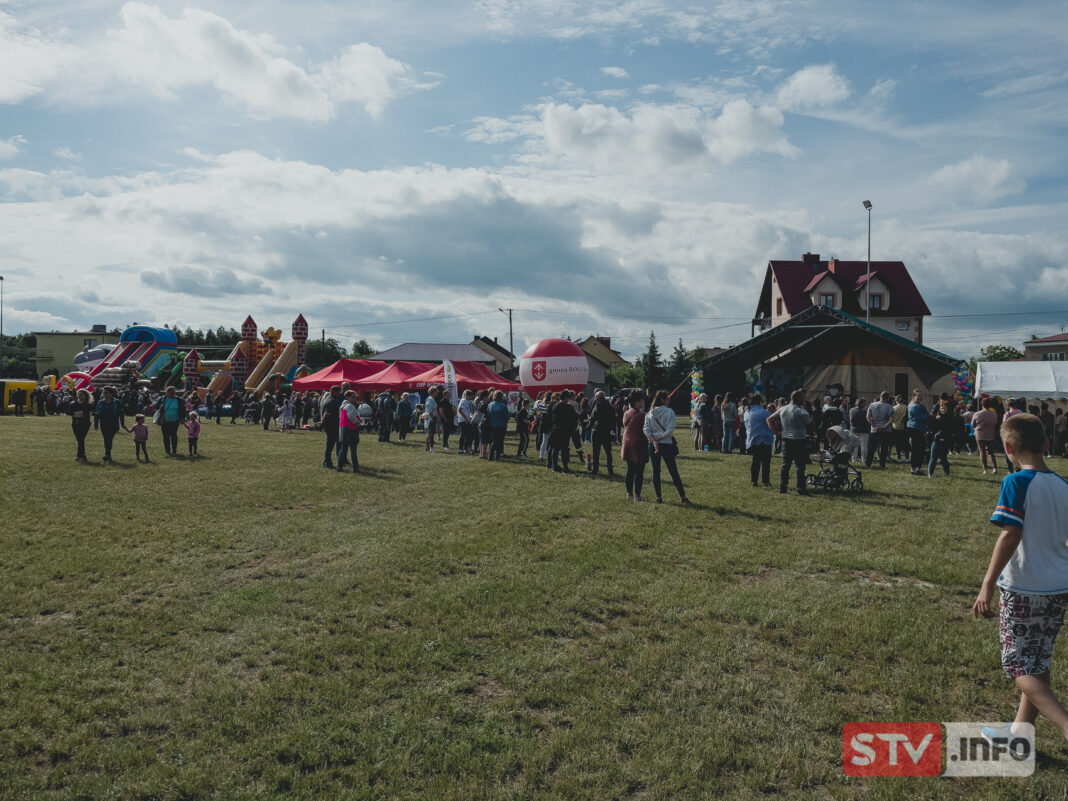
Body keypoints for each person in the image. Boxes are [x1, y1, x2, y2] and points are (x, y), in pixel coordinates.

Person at [972, 413, 1068, 748]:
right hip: (1059, 588)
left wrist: (987, 583)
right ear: (1045, 444)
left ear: (1008, 447)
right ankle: (1018, 735)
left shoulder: (1015, 482)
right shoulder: (1063, 486)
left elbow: (1010, 534)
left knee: (1017, 664)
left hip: (1025, 588)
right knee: (1038, 661)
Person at [643, 390, 690, 504]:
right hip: (666, 444)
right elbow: (670, 430)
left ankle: (659, 497)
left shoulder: (650, 413)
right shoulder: (669, 412)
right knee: (673, 471)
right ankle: (683, 497)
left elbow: (646, 429)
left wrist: (652, 439)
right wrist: (658, 438)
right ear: (663, 400)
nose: (670, 401)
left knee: (656, 471)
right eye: (668, 399)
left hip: (654, 445)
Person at [768, 389, 811, 495]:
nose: (804, 399)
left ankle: (782, 487)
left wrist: (776, 432)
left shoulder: (783, 409)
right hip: (799, 440)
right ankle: (801, 488)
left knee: (785, 465)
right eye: (802, 397)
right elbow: (810, 425)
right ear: (798, 399)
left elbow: (769, 419)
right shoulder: (801, 411)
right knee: (800, 466)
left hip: (786, 440)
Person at [621, 390, 649, 501]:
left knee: (630, 470)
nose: (643, 402)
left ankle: (629, 494)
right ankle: (637, 495)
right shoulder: (643, 415)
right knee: (639, 471)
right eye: (641, 400)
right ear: (637, 402)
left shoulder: (626, 413)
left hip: (627, 443)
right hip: (639, 443)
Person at [744, 394, 774, 488]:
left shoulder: (747, 412)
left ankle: (754, 481)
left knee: (755, 461)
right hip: (764, 439)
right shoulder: (763, 412)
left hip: (753, 439)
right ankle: (766, 481)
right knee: (766, 462)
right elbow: (771, 421)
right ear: (760, 402)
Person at [549, 390, 578, 473]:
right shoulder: (568, 407)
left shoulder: (555, 405)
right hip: (564, 431)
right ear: (566, 398)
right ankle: (565, 467)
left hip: (555, 429)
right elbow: (575, 417)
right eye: (568, 397)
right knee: (564, 450)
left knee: (555, 449)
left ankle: (554, 466)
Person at [94, 386, 125, 463]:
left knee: (109, 439)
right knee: (106, 439)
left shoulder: (116, 402)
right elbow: (96, 413)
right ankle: (107, 454)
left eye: (106, 393)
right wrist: (96, 423)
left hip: (114, 423)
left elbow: (121, 413)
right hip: (104, 423)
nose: (104, 394)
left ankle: (107, 454)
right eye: (103, 393)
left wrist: (122, 423)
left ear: (111, 394)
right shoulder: (100, 402)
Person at [589, 390, 615, 476]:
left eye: (595, 397)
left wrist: (589, 425)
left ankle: (595, 470)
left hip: (597, 431)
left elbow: (593, 418)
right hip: (606, 431)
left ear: (598, 398)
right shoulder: (610, 406)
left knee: (596, 452)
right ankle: (610, 470)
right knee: (608, 453)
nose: (595, 399)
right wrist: (612, 430)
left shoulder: (598, 406)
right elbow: (613, 419)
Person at [866, 392, 895, 468]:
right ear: (887, 398)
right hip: (885, 431)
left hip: (874, 430)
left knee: (871, 448)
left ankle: (868, 464)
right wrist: (883, 427)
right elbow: (891, 420)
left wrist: (874, 426)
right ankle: (882, 465)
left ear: (880, 396)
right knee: (884, 448)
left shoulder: (872, 405)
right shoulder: (890, 407)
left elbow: (868, 417)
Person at [906, 390, 932, 476]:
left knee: (920, 449)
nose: (920, 397)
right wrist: (928, 416)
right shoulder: (914, 407)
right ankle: (914, 469)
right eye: (918, 396)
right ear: (913, 397)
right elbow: (924, 418)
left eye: (921, 396)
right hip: (915, 429)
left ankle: (917, 469)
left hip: (919, 429)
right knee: (917, 450)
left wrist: (927, 415)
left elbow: (928, 415)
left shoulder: (920, 406)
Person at [928, 399, 955, 477]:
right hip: (937, 440)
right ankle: (931, 473)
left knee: (943, 458)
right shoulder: (938, 417)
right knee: (933, 458)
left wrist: (938, 420)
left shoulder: (949, 417)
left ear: (948, 408)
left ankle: (946, 473)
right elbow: (933, 428)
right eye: (941, 408)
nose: (943, 409)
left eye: (945, 408)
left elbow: (946, 428)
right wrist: (935, 420)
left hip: (944, 440)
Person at [972, 399, 1000, 474]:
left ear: (982, 405)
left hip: (980, 435)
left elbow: (973, 424)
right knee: (991, 452)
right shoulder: (994, 414)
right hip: (991, 434)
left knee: (982, 451)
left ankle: (985, 469)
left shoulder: (977, 414)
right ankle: (995, 468)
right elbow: (995, 423)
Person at [67, 388, 94, 461]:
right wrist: (78, 414)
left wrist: (77, 413)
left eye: (81, 395)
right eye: (78, 394)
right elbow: (69, 412)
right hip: (75, 424)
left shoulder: (88, 404)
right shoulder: (73, 403)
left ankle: (79, 455)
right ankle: (83, 455)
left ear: (85, 396)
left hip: (85, 424)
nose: (79, 396)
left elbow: (86, 413)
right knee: (79, 439)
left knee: (81, 438)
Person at [337, 390, 361, 472]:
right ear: (348, 397)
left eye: (356, 397)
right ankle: (355, 468)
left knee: (343, 449)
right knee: (353, 450)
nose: (355, 398)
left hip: (343, 429)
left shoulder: (342, 406)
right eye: (353, 397)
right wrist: (357, 422)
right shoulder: (349, 406)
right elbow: (350, 415)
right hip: (351, 429)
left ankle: (339, 467)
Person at [158, 386, 185, 456]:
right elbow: (155, 406)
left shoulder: (179, 400)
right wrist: (160, 407)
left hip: (175, 420)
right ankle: (167, 451)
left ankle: (174, 450)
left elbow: (182, 409)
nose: (173, 393)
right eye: (171, 392)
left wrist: (182, 418)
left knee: (173, 435)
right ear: (167, 392)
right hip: (164, 420)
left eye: (174, 392)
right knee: (165, 436)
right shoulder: (162, 399)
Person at [319, 385, 342, 468]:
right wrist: (321, 423)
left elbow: (322, 413)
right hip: (332, 426)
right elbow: (326, 414)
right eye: (338, 392)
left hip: (330, 426)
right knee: (329, 446)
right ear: (333, 392)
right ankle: (327, 462)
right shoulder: (331, 401)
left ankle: (328, 461)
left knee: (330, 445)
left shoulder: (326, 399)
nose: (339, 394)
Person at [487, 390, 510, 460]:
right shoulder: (503, 405)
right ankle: (497, 456)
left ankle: (491, 456)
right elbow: (507, 416)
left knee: (494, 441)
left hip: (492, 425)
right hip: (501, 425)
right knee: (500, 441)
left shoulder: (490, 405)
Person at [848, 397, 871, 464]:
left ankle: (853, 459)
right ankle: (864, 459)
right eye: (864, 403)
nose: (866, 404)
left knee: (855, 446)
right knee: (864, 446)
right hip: (864, 430)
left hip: (854, 429)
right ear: (861, 403)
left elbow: (850, 420)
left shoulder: (851, 410)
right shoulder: (865, 411)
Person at [424, 387, 439, 452]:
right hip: (431, 418)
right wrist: (432, 417)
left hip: (431, 417)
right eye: (436, 391)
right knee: (431, 433)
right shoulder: (431, 399)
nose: (437, 393)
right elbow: (429, 409)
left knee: (430, 432)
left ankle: (427, 447)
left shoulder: (431, 399)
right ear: (433, 392)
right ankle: (431, 447)